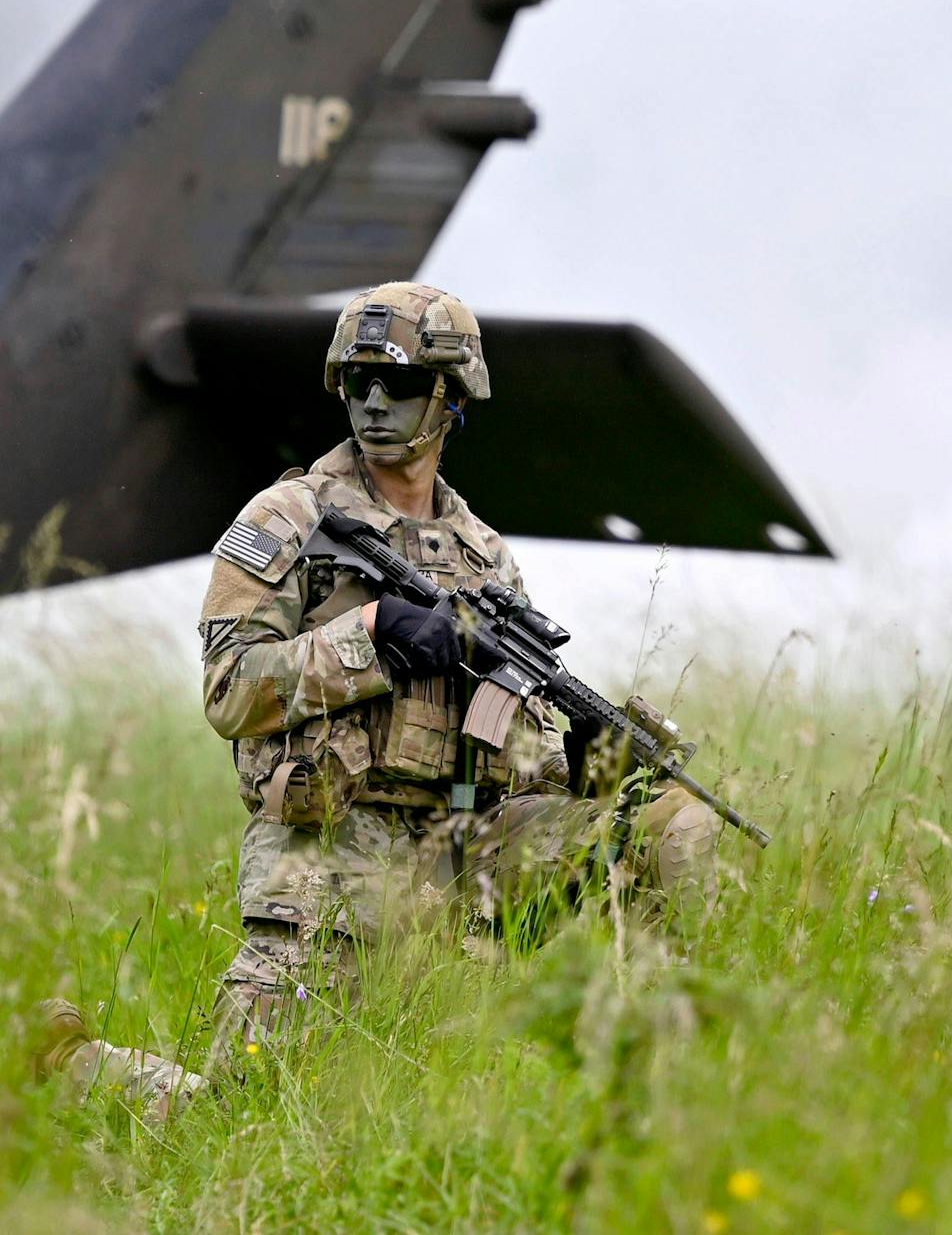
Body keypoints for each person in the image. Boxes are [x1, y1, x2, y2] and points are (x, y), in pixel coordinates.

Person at [39, 282, 719, 1118]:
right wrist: (372, 636)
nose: (370, 402)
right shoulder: (289, 519)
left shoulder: (484, 557)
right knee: (241, 1121)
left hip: (467, 849)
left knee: (670, 827)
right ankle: (66, 1064)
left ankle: (674, 1093)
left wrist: (580, 766)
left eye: (395, 384)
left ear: (449, 397)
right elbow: (227, 691)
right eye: (355, 381)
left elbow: (506, 741)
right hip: (331, 850)